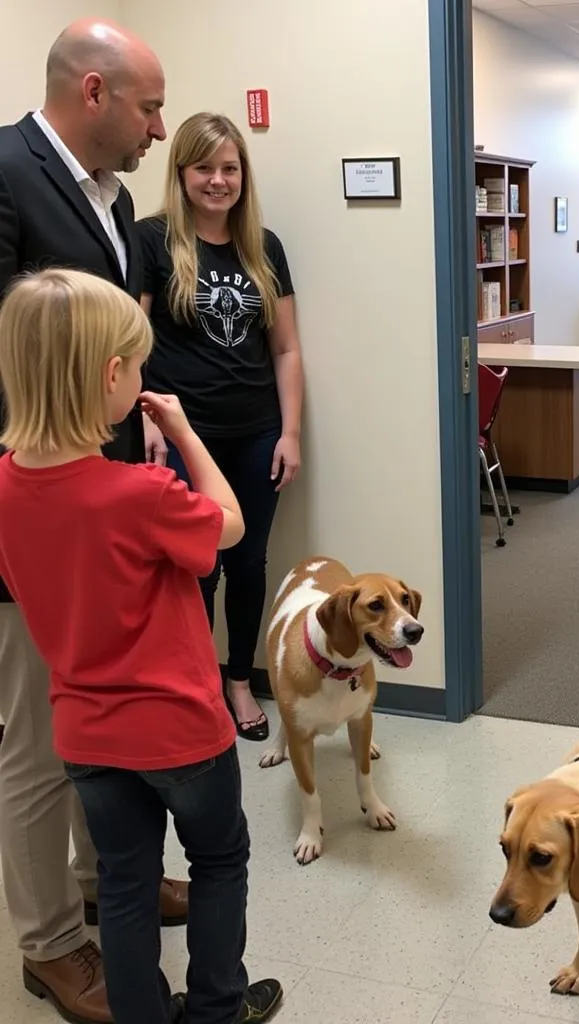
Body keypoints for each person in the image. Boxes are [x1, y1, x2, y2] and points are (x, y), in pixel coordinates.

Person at [0, 267, 283, 1023]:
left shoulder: (5, 485)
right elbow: (229, 526)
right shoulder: (141, 493)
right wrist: (187, 433)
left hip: (85, 734)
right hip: (180, 729)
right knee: (219, 860)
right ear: (111, 376)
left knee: (125, 881)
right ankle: (218, 1007)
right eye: (138, 362)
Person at [0, 18, 188, 1021]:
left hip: (109, 499)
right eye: (149, 106)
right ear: (91, 92)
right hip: (40, 514)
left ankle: (99, 880)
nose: (160, 128)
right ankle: (50, 943)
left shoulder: (111, 198)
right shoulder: (4, 171)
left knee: (98, 717)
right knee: (38, 738)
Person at [138, 111, 304, 742]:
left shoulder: (265, 247)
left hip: (257, 430)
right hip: (184, 433)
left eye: (229, 168)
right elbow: (131, 339)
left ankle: (239, 679)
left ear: (243, 174)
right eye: (204, 167)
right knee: (194, 566)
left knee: (248, 561)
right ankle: (198, 682)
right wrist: (147, 416)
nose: (218, 181)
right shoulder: (150, 241)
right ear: (181, 172)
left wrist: (290, 432)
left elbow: (286, 349)